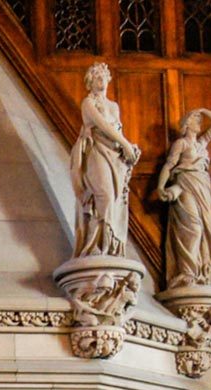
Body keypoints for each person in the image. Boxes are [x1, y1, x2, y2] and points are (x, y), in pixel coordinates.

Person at [70, 63, 141, 258]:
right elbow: (103, 127)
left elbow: (116, 130)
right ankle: (95, 247)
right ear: (89, 83)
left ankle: (110, 248)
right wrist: (125, 144)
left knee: (115, 201)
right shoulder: (88, 103)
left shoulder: (113, 106)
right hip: (97, 152)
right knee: (104, 196)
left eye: (103, 76)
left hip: (115, 156)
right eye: (96, 77)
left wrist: (129, 149)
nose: (101, 80)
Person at [157, 108, 211, 288]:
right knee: (192, 228)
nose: (200, 122)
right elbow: (169, 165)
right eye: (196, 119)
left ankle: (199, 271)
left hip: (202, 187)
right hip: (185, 185)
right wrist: (160, 187)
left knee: (202, 229)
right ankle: (187, 272)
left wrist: (203, 110)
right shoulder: (181, 144)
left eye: (199, 119)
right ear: (187, 124)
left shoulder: (202, 143)